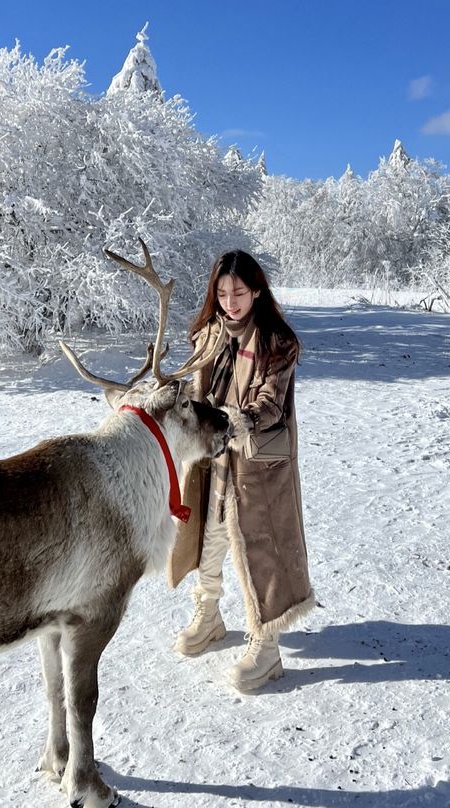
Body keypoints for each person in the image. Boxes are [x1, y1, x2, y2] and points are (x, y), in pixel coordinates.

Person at [167, 250, 315, 693]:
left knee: (259, 547)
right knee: (209, 537)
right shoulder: (207, 335)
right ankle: (209, 613)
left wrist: (235, 419)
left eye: (239, 291)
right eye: (222, 291)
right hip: (213, 459)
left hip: (257, 460)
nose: (230, 300)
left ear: (256, 291)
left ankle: (265, 644)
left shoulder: (277, 341)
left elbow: (270, 403)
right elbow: (194, 391)